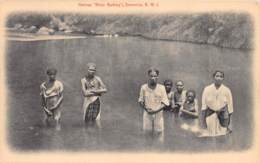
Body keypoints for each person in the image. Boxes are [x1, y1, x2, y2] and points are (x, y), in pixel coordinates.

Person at [138, 68, 169, 141]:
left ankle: (159, 149)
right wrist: (146, 109)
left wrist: (155, 111)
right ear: (148, 76)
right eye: (151, 76)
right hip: (147, 114)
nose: (153, 78)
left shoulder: (162, 88)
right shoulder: (144, 87)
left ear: (158, 76)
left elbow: (165, 103)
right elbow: (140, 101)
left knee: (159, 133)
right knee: (147, 133)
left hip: (159, 115)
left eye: (155, 76)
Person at [200, 70, 233, 137]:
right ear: (213, 77)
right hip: (210, 114)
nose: (219, 78)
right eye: (217, 76)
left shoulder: (227, 90)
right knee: (210, 135)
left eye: (221, 76)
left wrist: (230, 125)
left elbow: (230, 108)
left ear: (223, 78)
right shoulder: (207, 89)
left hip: (223, 115)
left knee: (223, 135)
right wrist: (203, 122)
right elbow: (204, 106)